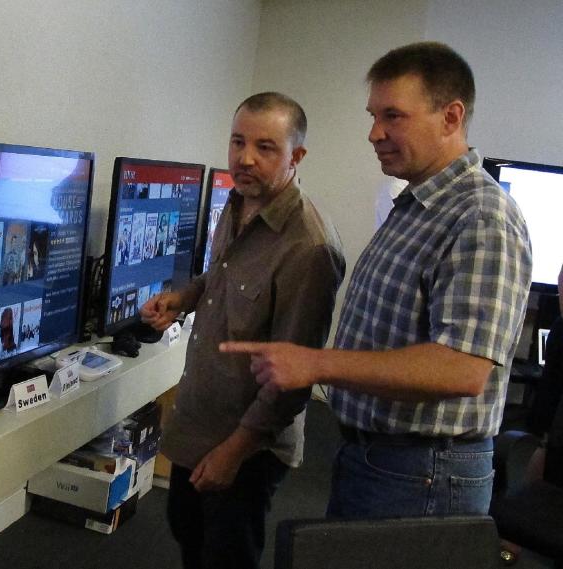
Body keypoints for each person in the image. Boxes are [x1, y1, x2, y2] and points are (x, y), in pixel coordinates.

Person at [220, 42, 532, 518]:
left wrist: (316, 364)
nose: (374, 133)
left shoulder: (482, 216)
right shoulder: (418, 204)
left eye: (393, 116)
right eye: (373, 116)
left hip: (422, 472)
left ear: (451, 117)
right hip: (380, 459)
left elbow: (463, 369)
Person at [140, 92, 345, 569]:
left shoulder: (308, 248)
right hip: (198, 423)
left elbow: (293, 378)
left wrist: (234, 453)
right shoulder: (237, 203)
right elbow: (221, 278)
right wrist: (184, 298)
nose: (245, 158)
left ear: (297, 156)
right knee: (188, 534)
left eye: (266, 147)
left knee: (227, 557)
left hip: (247, 445)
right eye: (238, 142)